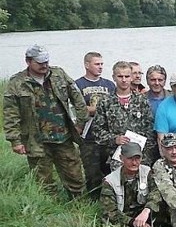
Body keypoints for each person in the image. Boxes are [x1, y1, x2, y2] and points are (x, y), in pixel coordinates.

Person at [3, 45, 88, 198]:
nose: (44, 65)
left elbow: (77, 98)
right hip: (36, 140)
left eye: (46, 61)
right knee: (43, 180)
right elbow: (11, 113)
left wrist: (80, 123)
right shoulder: (17, 82)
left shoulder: (59, 74)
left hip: (64, 136)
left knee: (75, 175)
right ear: (28, 61)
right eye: (40, 62)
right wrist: (15, 141)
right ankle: (49, 209)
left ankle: (79, 205)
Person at [92, 61, 156, 169]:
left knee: (143, 185)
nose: (124, 80)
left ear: (131, 77)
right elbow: (97, 131)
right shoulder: (105, 102)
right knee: (119, 184)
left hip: (141, 156)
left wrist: (145, 150)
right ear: (114, 77)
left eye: (127, 76)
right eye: (120, 76)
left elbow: (150, 129)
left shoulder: (141, 100)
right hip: (118, 156)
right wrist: (114, 139)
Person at [75, 51, 116, 199]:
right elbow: (79, 109)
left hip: (107, 136)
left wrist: (94, 110)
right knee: (92, 173)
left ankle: (110, 200)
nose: (100, 67)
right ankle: (93, 200)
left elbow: (114, 108)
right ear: (87, 65)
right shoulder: (77, 85)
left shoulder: (109, 85)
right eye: (97, 64)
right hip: (88, 136)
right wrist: (99, 109)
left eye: (102, 64)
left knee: (109, 171)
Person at [99, 142, 153, 227]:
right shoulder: (110, 181)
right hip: (123, 218)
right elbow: (110, 211)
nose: (134, 163)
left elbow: (156, 194)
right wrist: (133, 222)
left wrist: (146, 210)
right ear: (121, 158)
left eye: (137, 158)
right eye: (130, 159)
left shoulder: (147, 172)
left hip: (144, 214)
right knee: (109, 224)